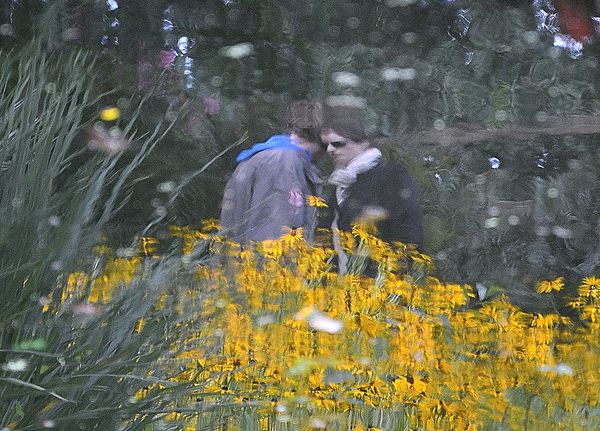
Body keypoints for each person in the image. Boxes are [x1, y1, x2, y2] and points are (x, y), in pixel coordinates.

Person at [320, 105, 424, 270]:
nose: (330, 150)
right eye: (326, 144)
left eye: (338, 143)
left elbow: (409, 234)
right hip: (340, 283)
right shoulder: (339, 183)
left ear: (362, 142)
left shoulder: (391, 176)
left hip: (380, 280)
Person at [220, 101, 324, 243]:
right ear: (323, 133)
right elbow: (274, 234)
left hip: (243, 258)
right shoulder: (284, 162)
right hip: (266, 261)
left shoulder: (265, 155)